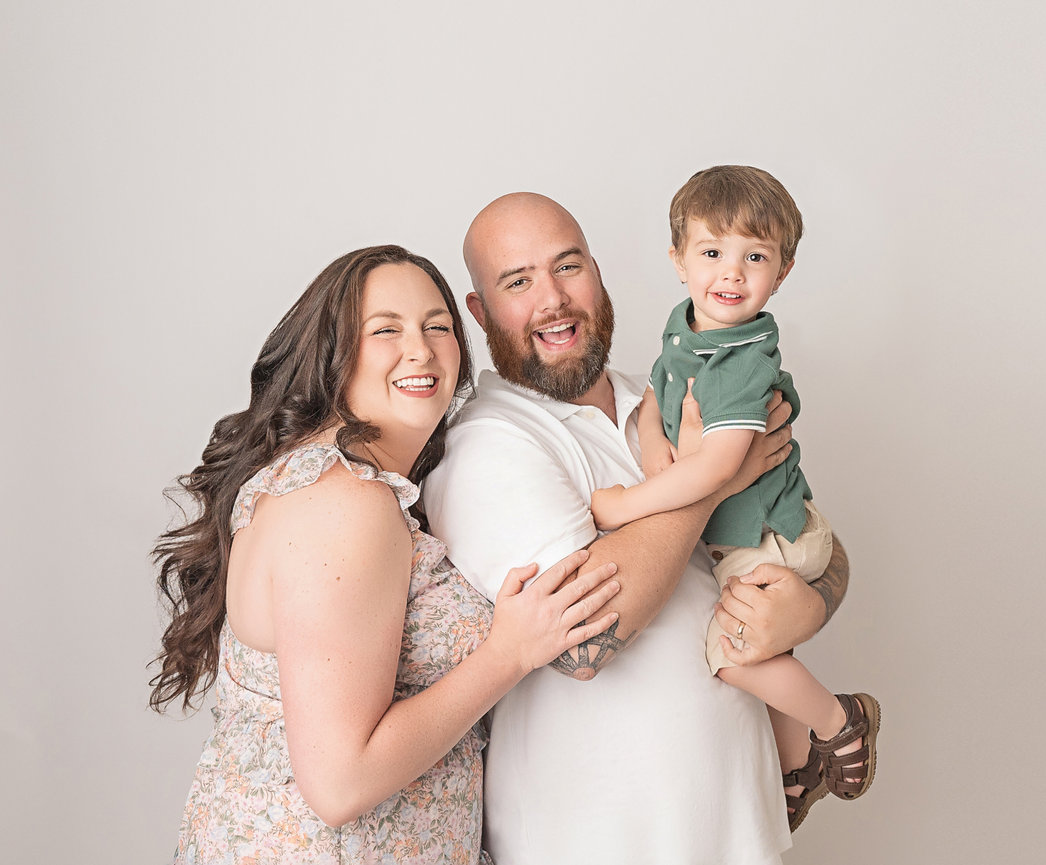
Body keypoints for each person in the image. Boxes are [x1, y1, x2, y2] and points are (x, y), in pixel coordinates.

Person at [149, 245, 623, 864]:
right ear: (332, 354)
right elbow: (340, 783)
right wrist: (509, 653)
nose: (421, 350)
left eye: (437, 327)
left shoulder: (363, 491)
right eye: (386, 331)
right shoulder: (344, 502)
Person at [422, 194, 852, 864]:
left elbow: (793, 530)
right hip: (596, 844)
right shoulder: (487, 444)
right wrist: (715, 480)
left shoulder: (663, 393)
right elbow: (587, 637)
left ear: (597, 271)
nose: (552, 299)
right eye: (517, 281)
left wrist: (812, 602)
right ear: (479, 312)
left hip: (740, 830)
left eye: (567, 267)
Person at [590, 165, 880, 830]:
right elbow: (658, 393)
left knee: (731, 655)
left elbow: (719, 468)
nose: (730, 274)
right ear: (677, 260)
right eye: (711, 253)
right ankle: (796, 767)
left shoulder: (742, 358)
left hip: (772, 533)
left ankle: (840, 723)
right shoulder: (686, 327)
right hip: (744, 533)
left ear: (781, 273)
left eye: (755, 257)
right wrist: (655, 442)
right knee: (757, 648)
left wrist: (628, 504)